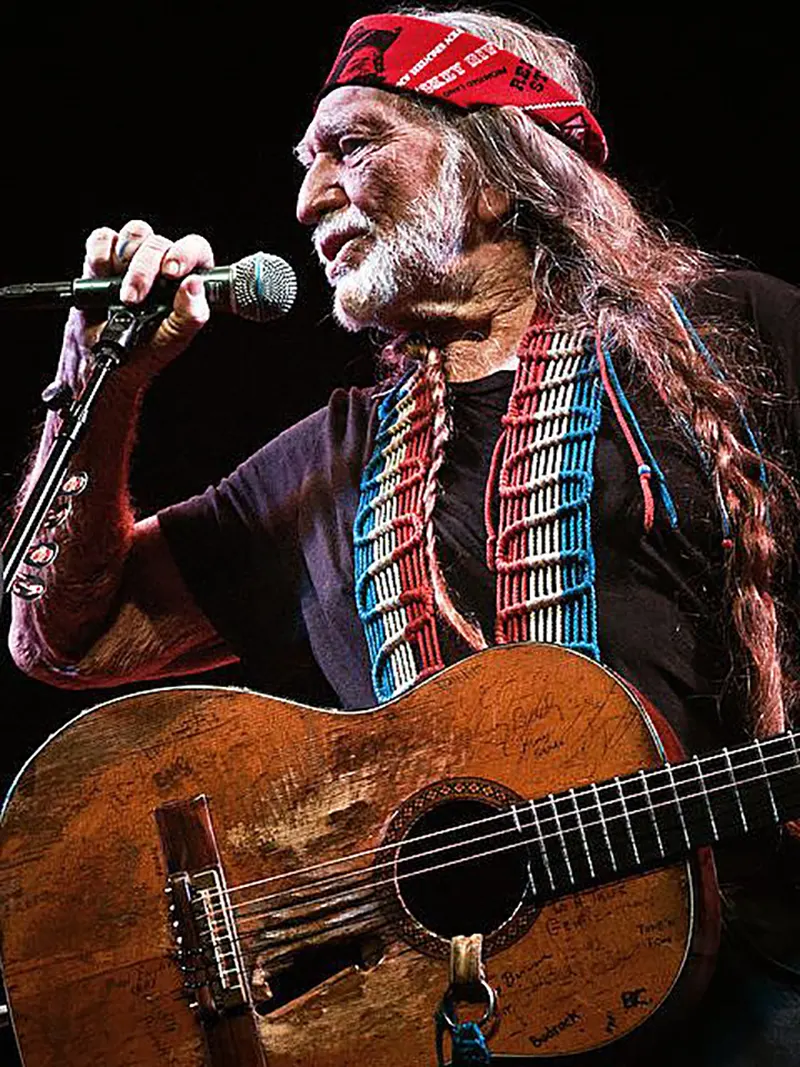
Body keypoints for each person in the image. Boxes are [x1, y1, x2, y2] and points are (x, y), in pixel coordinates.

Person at [7, 8, 800, 1065]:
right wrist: (99, 379)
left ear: (497, 171)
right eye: (306, 162)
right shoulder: (330, 462)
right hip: (435, 1024)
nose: (307, 198)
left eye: (353, 144)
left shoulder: (733, 341)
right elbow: (61, 636)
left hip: (743, 985)